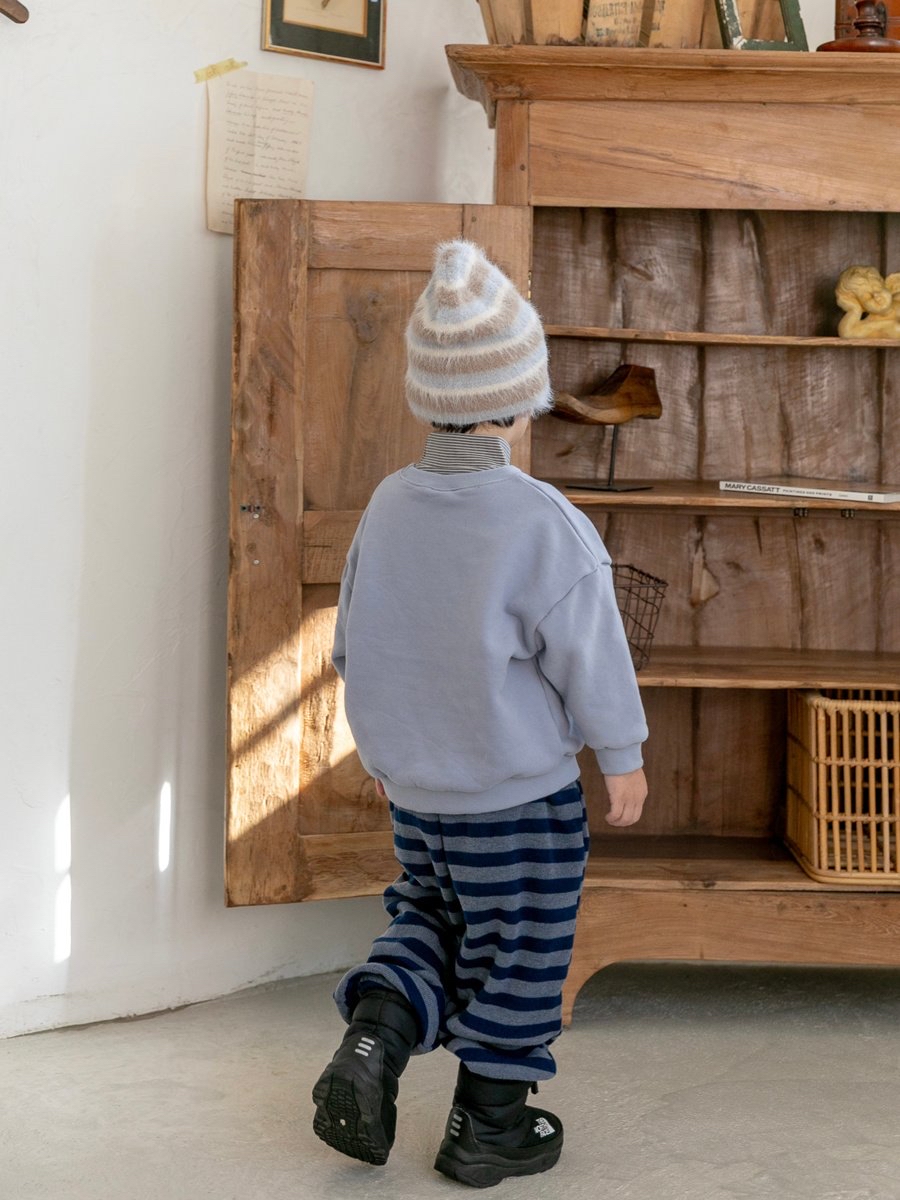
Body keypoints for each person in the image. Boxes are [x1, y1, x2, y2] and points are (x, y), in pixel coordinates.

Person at [311, 239, 649, 1188]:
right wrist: (621, 754)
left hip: (419, 797)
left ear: (429, 395)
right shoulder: (541, 519)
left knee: (428, 917)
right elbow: (591, 654)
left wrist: (386, 755)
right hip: (520, 804)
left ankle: (375, 1036)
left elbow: (354, 644)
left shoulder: (387, 506)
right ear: (518, 398)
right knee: (521, 950)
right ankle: (488, 1126)